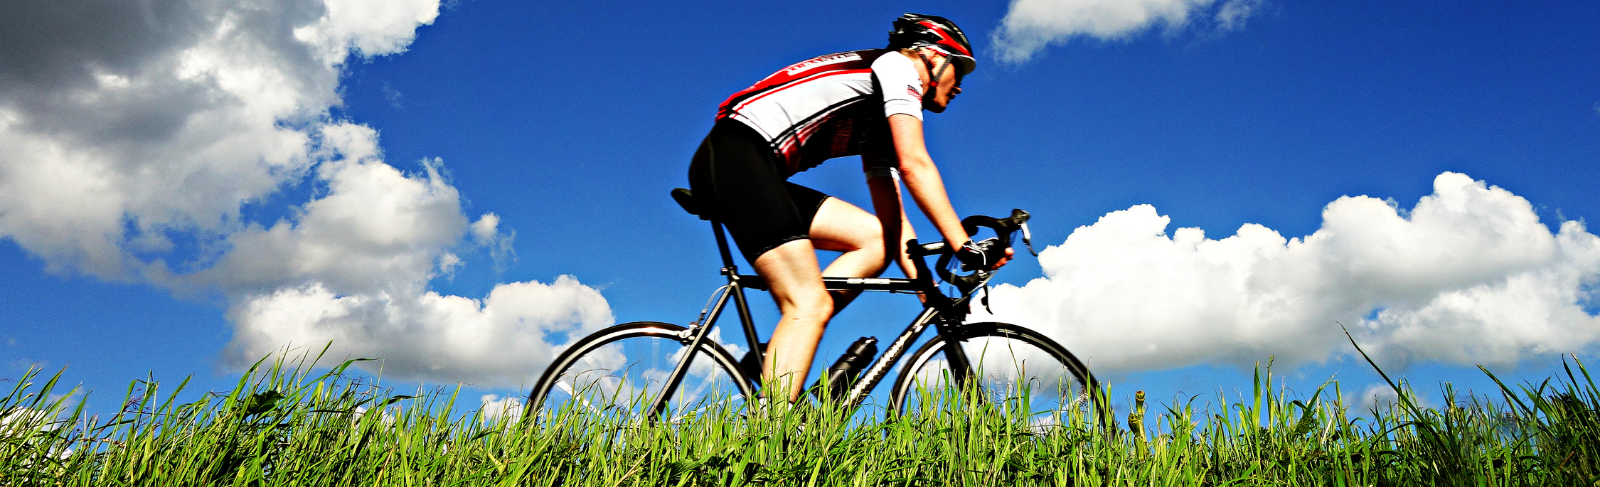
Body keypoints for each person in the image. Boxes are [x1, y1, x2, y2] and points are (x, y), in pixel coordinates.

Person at [688, 13, 1011, 402]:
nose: (959, 86)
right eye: (958, 70)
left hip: (746, 164)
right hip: (736, 157)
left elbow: (893, 225)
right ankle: (768, 439)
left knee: (874, 239)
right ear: (931, 56)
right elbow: (915, 164)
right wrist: (964, 245)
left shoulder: (878, 118)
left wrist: (925, 285)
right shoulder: (898, 66)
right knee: (808, 303)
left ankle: (780, 346)